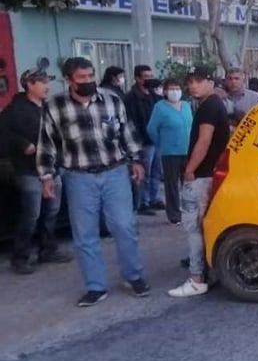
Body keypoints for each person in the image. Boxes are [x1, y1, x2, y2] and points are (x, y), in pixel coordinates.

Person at [36, 57, 149, 306]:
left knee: (124, 226)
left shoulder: (111, 100)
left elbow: (127, 132)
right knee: (85, 234)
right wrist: (46, 176)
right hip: (78, 177)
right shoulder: (55, 106)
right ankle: (96, 286)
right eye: (82, 78)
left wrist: (137, 161)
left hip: (115, 172)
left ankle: (133, 276)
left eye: (90, 76)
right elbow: (47, 144)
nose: (88, 82)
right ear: (68, 80)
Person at [0, 70, 73, 273]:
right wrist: (23, 144)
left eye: (47, 81)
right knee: (31, 214)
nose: (47, 86)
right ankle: (20, 257)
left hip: (52, 167)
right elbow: (3, 135)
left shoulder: (48, 108)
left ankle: (48, 249)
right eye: (42, 82)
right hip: (29, 170)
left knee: (52, 211)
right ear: (30, 84)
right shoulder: (15, 110)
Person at [169, 67, 230, 298]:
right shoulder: (212, 105)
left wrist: (190, 170)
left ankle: (196, 278)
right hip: (208, 174)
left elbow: (203, 141)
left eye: (198, 81)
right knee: (203, 225)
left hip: (201, 176)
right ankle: (207, 273)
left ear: (210, 82)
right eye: (190, 82)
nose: (192, 86)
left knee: (193, 227)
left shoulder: (209, 107)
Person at [146, 77, 193, 226]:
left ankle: (189, 211)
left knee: (188, 184)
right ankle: (174, 214)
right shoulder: (160, 107)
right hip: (170, 152)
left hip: (187, 150)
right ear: (165, 91)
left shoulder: (186, 105)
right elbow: (152, 129)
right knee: (172, 185)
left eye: (177, 88)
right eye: (171, 89)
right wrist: (162, 143)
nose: (175, 91)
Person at [124, 64, 163, 215]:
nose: (149, 80)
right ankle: (144, 202)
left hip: (157, 140)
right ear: (137, 79)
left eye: (150, 76)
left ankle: (155, 198)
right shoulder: (131, 97)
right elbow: (132, 122)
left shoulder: (154, 95)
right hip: (143, 142)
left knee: (156, 171)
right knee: (144, 173)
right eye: (145, 77)